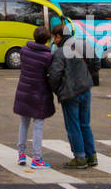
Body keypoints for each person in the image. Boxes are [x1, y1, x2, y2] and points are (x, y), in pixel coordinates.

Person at [47, 20, 99, 169]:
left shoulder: (60, 52)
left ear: (58, 37)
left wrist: (57, 90)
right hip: (85, 88)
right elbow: (96, 63)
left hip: (70, 93)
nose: (54, 41)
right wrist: (86, 75)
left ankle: (80, 157)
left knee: (73, 125)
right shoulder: (84, 44)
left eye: (54, 38)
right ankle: (91, 156)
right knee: (85, 124)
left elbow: (55, 75)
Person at [13, 26, 56, 168]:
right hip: (39, 92)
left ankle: (21, 154)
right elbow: (49, 74)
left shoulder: (24, 51)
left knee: (24, 123)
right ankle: (37, 158)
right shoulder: (48, 56)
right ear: (46, 40)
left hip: (24, 90)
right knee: (38, 125)